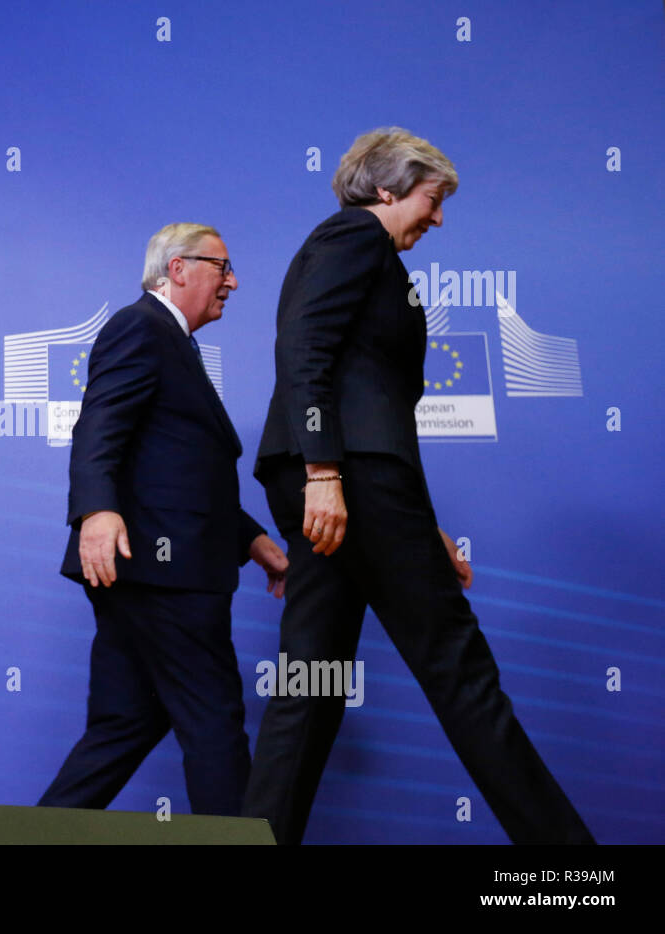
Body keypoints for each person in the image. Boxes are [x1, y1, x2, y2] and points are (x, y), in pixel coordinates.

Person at [244, 127, 594, 844]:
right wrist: (324, 472)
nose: (438, 219)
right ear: (387, 189)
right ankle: (572, 872)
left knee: (311, 685)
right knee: (459, 671)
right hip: (345, 480)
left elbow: (378, 403)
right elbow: (303, 347)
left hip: (352, 485)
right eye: (433, 201)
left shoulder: (357, 251)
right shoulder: (354, 238)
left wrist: (421, 521)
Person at [37, 223, 288, 816]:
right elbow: (98, 426)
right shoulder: (141, 326)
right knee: (214, 722)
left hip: (147, 572)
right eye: (220, 267)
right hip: (162, 574)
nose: (234, 281)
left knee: (123, 727)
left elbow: (178, 470)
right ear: (177, 269)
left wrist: (254, 541)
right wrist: (97, 509)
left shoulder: (173, 341)